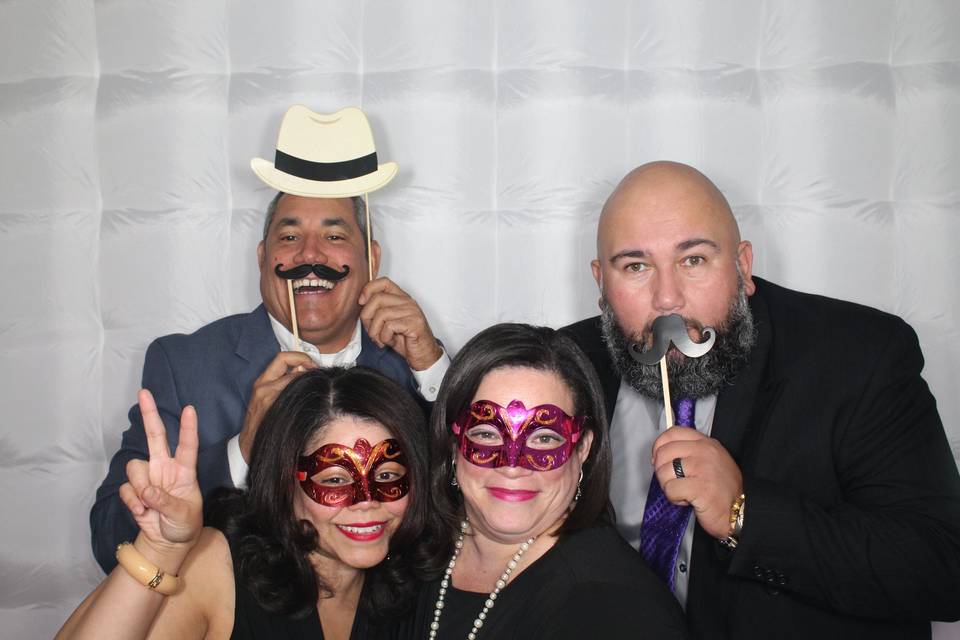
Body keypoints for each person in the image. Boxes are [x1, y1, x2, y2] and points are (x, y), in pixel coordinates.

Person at [562, 160, 960, 638]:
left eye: (694, 260)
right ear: (601, 284)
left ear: (743, 267)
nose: (667, 298)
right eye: (636, 266)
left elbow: (941, 567)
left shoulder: (859, 356)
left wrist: (743, 513)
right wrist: (441, 375)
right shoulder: (568, 361)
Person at [91, 105, 448, 571]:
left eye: (335, 236)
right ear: (263, 258)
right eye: (289, 236)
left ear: (372, 259)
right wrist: (243, 450)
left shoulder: (409, 362)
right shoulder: (185, 365)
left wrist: (433, 366)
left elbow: (466, 505)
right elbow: (109, 540)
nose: (310, 255)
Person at [61, 366, 434, 639]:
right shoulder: (221, 564)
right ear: (285, 482)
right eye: (335, 479)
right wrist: (159, 550)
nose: (367, 501)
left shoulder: (415, 583)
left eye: (387, 476)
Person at [399, 323, 686, 639]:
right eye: (485, 433)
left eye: (544, 438)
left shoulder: (615, 607)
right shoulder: (410, 557)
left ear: (583, 449)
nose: (512, 465)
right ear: (453, 444)